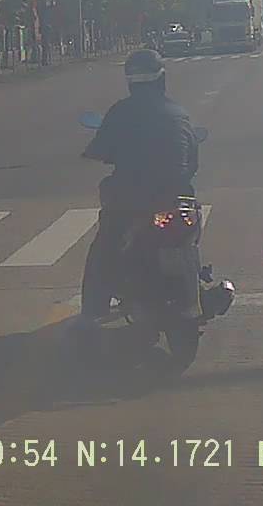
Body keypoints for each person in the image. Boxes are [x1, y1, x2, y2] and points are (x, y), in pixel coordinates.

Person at [79, 49, 199, 323]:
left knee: (104, 248)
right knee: (189, 230)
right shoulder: (178, 113)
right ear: (161, 79)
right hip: (174, 198)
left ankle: (93, 310)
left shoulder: (119, 112)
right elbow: (192, 161)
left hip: (129, 200)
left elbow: (99, 149)